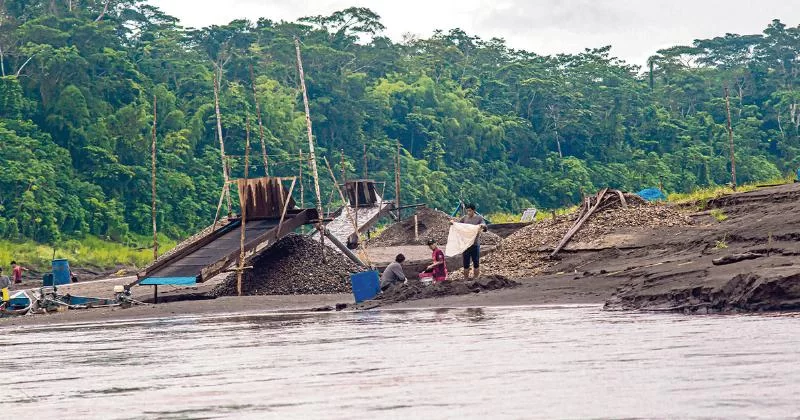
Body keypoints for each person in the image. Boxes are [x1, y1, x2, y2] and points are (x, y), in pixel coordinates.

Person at [451, 203, 487, 280]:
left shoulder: (479, 218)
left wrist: (482, 226)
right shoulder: (464, 218)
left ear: (474, 210)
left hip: (475, 244)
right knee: (466, 264)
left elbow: (485, 227)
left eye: (470, 211)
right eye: (467, 211)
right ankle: (466, 279)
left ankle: (476, 278)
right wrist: (453, 223)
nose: (468, 213)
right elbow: (458, 225)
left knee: (476, 263)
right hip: (466, 245)